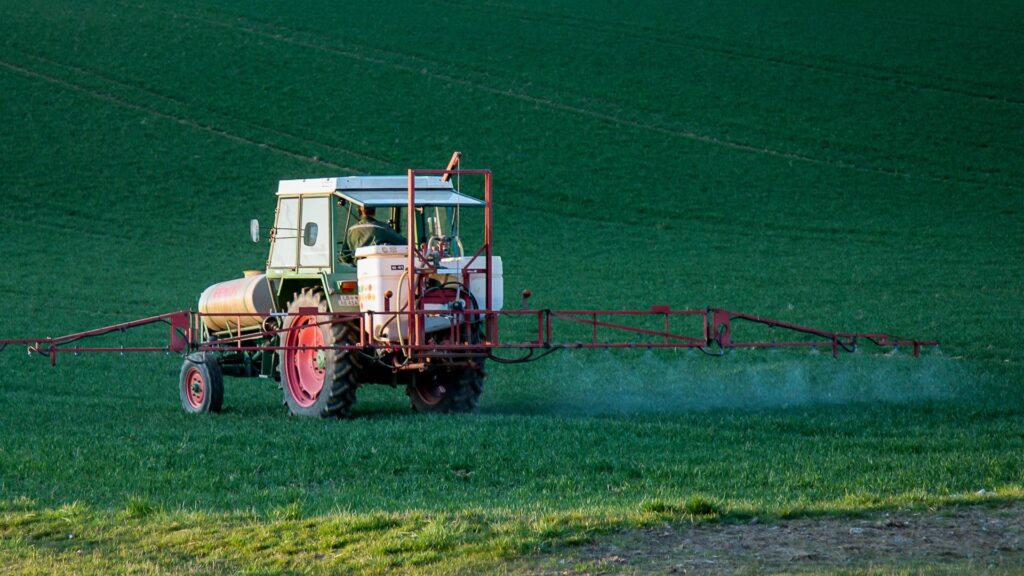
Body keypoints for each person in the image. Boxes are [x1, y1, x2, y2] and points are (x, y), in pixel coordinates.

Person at [342, 206, 407, 263]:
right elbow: (404, 243)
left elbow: (345, 257)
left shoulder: (351, 230)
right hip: (381, 269)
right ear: (374, 211)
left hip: (358, 270)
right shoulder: (383, 228)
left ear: (359, 210)